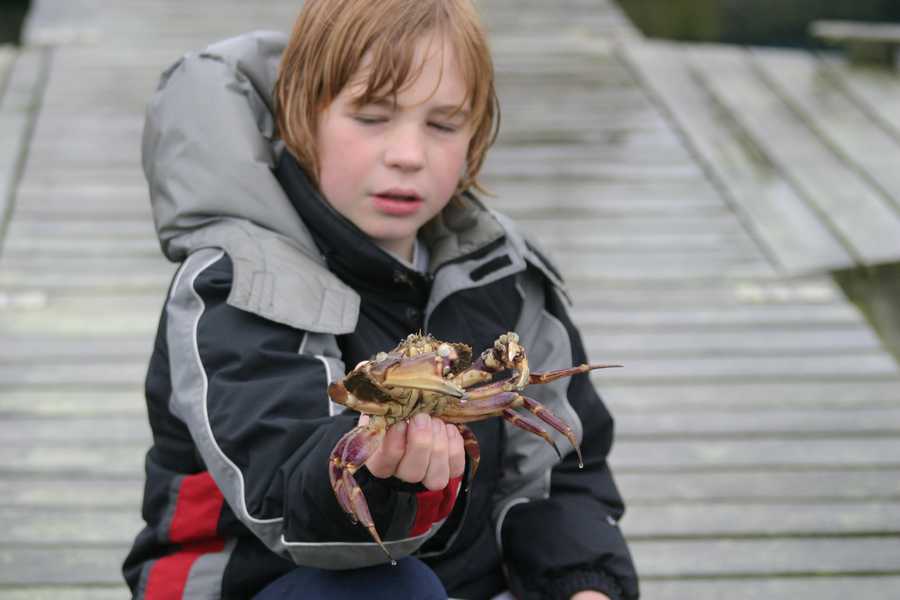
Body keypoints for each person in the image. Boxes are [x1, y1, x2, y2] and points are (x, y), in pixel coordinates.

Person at [122, 1, 639, 599]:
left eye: (443, 125)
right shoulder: (235, 283)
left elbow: (561, 475)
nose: (408, 155)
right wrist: (385, 478)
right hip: (265, 580)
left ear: (476, 136)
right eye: (372, 117)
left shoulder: (506, 276)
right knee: (394, 587)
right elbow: (282, 493)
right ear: (301, 116)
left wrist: (584, 584)